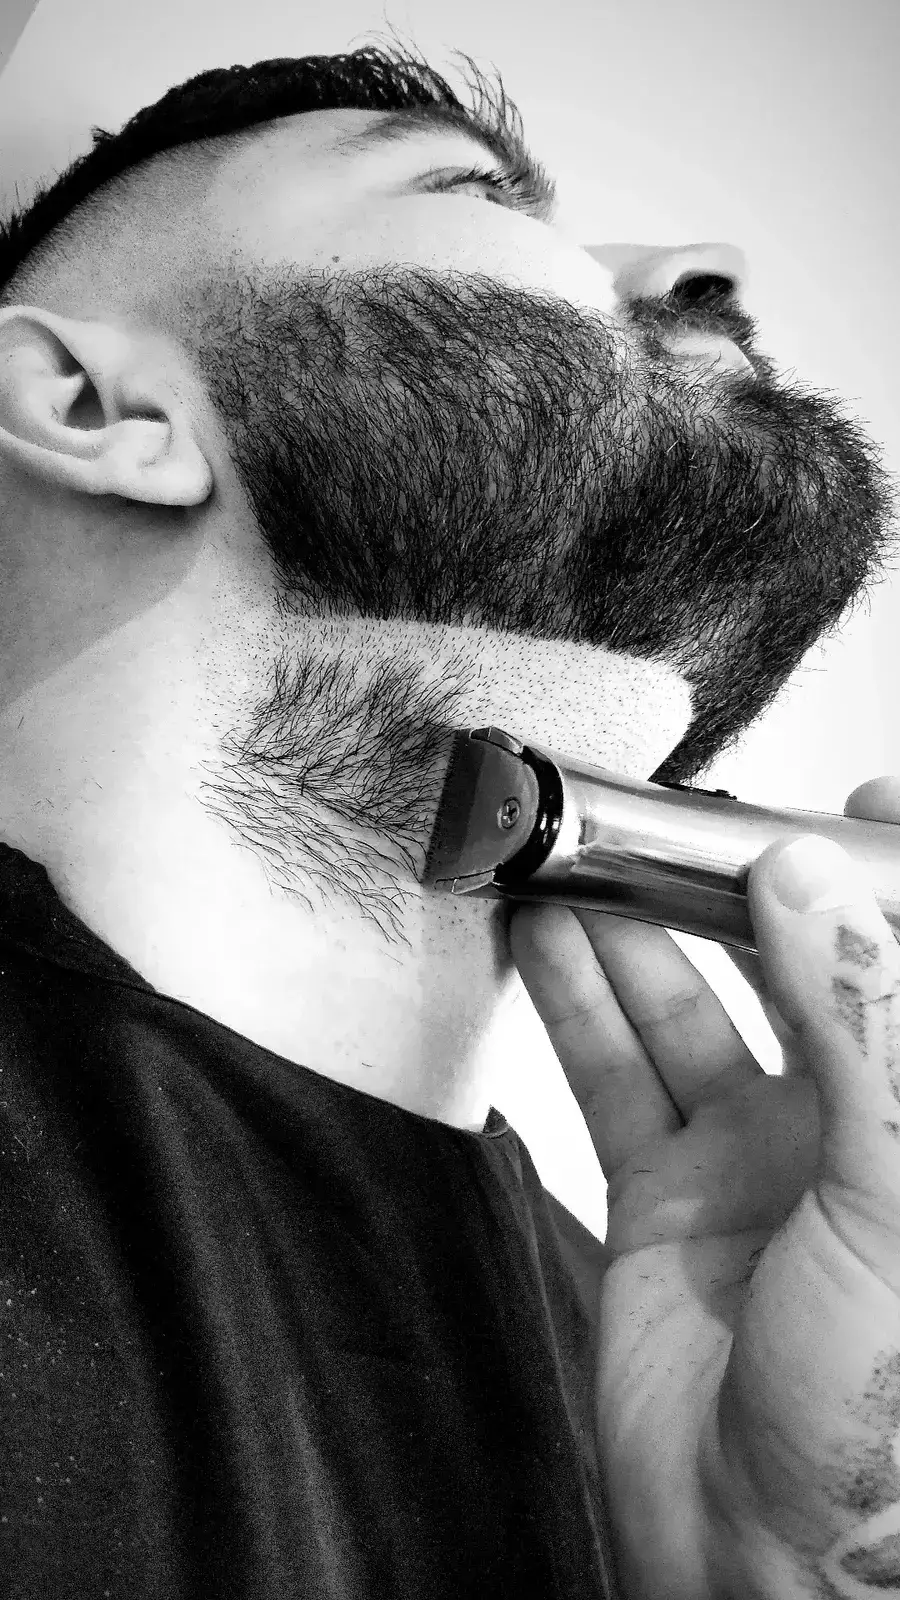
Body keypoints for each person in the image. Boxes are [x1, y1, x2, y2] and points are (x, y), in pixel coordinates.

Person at [0, 32, 897, 1599]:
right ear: (93, 402)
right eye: (473, 191)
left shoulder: (720, 1348)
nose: (707, 269)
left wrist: (780, 1576)